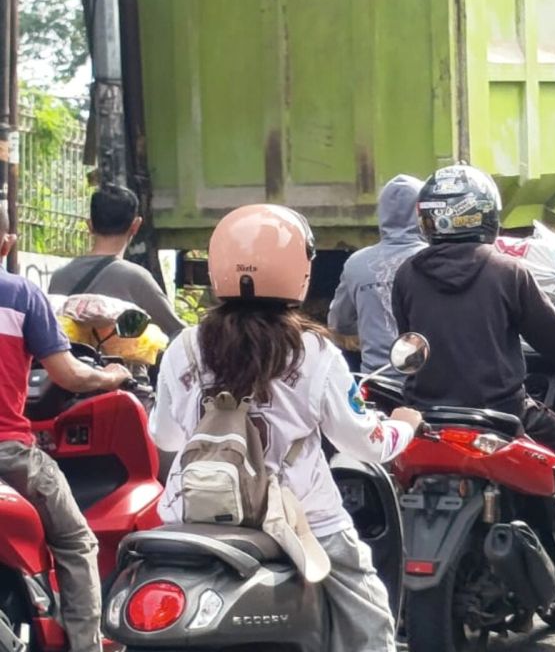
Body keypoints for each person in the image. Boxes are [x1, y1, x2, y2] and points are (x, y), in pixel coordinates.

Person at [151, 205, 421, 652]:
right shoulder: (313, 352)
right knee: (370, 618)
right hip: (304, 523)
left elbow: (165, 437)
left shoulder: (185, 347)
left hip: (191, 518)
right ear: (301, 268)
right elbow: (368, 444)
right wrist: (403, 426)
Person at [390, 165, 555, 577]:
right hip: (501, 411)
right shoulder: (508, 271)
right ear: (486, 214)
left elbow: (410, 340)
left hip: (428, 415)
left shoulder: (407, 274)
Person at [0, 208, 135, 652]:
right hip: (9, 455)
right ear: (7, 244)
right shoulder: (20, 295)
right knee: (76, 541)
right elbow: (70, 375)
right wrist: (112, 377)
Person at [49, 184, 185, 336]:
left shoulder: (59, 277)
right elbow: (177, 332)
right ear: (135, 225)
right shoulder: (136, 279)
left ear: (90, 225)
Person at [328, 175, 426, 371]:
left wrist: (370, 327)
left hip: (377, 379)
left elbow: (339, 324)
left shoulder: (356, 263)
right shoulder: (436, 259)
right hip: (427, 380)